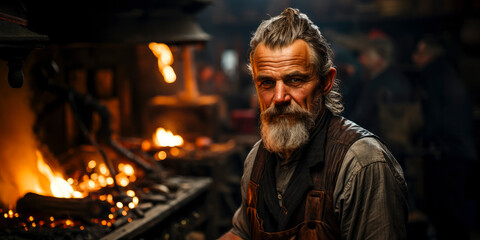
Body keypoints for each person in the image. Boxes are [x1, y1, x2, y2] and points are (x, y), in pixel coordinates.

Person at [219, 8, 408, 240]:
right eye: (266, 83)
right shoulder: (256, 158)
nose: (279, 98)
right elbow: (243, 232)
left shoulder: (362, 164)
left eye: (295, 79)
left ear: (326, 82)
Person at [411, 35, 477, 240]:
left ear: (427, 54)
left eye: (417, 53)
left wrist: (420, 138)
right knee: (452, 212)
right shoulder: (447, 72)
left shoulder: (433, 74)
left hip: (449, 152)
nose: (413, 58)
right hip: (460, 149)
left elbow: (435, 116)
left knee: (446, 213)